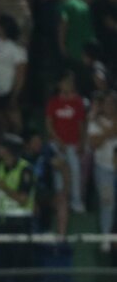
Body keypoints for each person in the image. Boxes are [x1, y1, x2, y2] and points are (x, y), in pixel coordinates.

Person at [0, 134, 36, 282]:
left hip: (20, 222)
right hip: (3, 221)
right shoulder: (0, 166)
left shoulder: (25, 169)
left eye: (1, 147)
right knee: (0, 261)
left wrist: (5, 188)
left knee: (21, 262)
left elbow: (23, 198)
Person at [47, 71, 87, 216]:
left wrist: (82, 142)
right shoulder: (54, 102)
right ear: (60, 84)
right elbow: (49, 124)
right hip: (57, 145)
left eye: (71, 82)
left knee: (75, 171)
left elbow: (81, 123)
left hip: (72, 144)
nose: (69, 84)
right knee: (58, 174)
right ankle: (61, 202)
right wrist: (58, 141)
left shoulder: (77, 102)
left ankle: (76, 202)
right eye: (66, 82)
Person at [0, 15, 28, 137]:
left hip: (8, 90)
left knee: (14, 123)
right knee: (0, 122)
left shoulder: (16, 48)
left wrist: (15, 94)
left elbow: (21, 72)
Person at [89, 91, 117, 250]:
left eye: (113, 104)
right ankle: (106, 237)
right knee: (107, 203)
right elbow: (94, 144)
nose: (110, 106)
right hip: (104, 169)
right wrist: (109, 131)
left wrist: (105, 131)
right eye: (106, 103)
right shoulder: (94, 123)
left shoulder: (99, 122)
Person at [60, 0, 98, 73]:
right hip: (84, 55)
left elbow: (63, 24)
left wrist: (62, 47)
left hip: (71, 53)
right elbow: (90, 32)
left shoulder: (67, 4)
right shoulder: (84, 6)